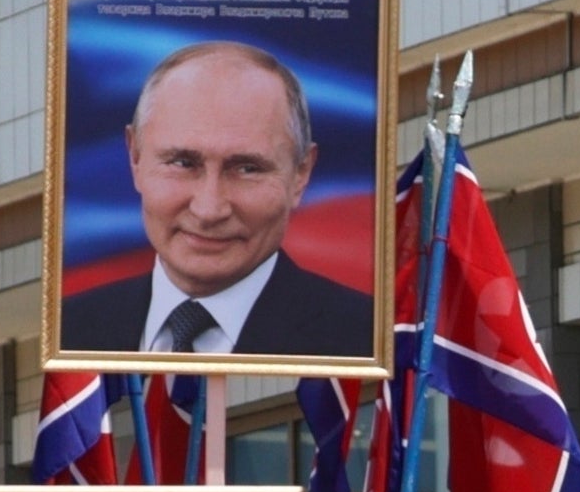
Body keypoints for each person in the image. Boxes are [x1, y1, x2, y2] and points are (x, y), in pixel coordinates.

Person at [57, 38, 375, 359]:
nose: (209, 210)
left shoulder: (368, 340)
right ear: (135, 157)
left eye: (247, 169)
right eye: (183, 163)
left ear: (300, 174)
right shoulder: (69, 332)